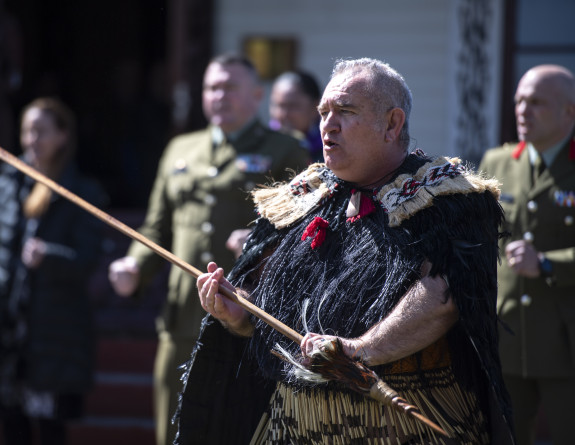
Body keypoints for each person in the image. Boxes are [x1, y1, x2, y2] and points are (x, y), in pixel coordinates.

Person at [175, 57, 515, 444]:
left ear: (392, 124)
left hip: (403, 426)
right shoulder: (303, 196)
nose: (327, 125)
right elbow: (262, 304)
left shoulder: (447, 197)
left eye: (345, 111)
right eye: (323, 112)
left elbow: (442, 296)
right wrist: (239, 315)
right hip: (293, 424)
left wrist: (358, 351)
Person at [108, 53, 309, 445]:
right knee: (172, 431)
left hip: (246, 319)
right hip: (182, 316)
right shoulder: (180, 149)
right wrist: (134, 266)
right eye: (212, 87)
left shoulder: (285, 151)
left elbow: (302, 233)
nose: (219, 95)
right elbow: (156, 227)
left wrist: (260, 243)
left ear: (255, 95)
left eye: (230, 87)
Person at [0, 98, 107, 444]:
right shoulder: (9, 184)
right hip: (10, 331)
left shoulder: (82, 192)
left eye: (41, 131)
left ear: (62, 136)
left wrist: (50, 255)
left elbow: (88, 259)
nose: (32, 139)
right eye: (27, 131)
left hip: (52, 334)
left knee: (48, 430)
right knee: (12, 425)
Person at [479, 64, 575, 445]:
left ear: (569, 111)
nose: (523, 110)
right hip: (508, 338)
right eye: (519, 100)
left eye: (536, 102)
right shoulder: (498, 163)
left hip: (566, 344)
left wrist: (550, 263)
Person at [269, 70, 323, 162]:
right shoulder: (262, 145)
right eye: (279, 105)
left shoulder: (331, 148)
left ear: (315, 107)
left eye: (293, 106)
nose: (284, 114)